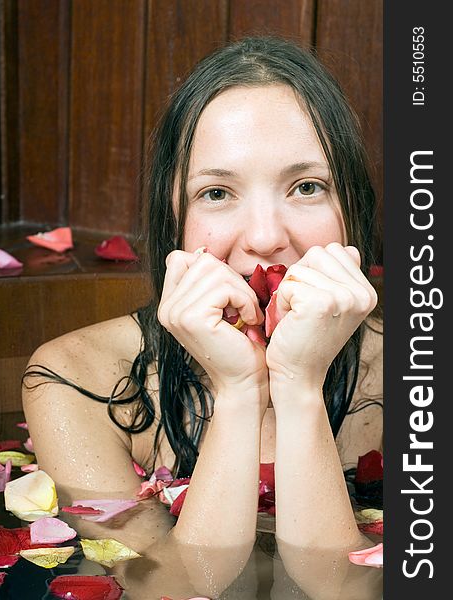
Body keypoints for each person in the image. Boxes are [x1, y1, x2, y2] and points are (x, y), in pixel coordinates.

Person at [22, 35, 383, 597]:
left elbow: (343, 591)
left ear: (352, 207)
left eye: (307, 187)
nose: (265, 238)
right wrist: (238, 390)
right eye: (217, 193)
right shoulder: (74, 375)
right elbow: (174, 589)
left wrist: (301, 386)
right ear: (175, 217)